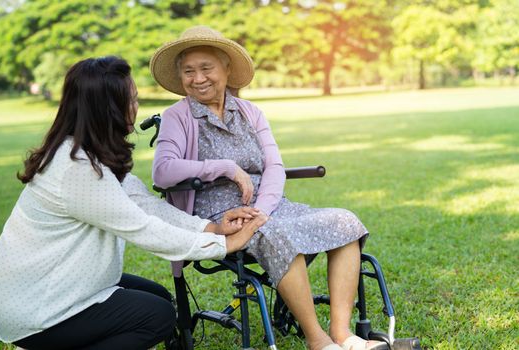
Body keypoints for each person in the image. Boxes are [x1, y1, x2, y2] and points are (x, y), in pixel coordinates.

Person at [0, 56, 267, 350]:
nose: (136, 108)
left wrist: (212, 228)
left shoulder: (85, 152)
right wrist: (224, 246)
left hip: (50, 287)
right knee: (157, 316)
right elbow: (143, 228)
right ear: (107, 110)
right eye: (131, 100)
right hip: (38, 308)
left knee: (160, 298)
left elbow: (145, 205)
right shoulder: (78, 168)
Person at [149, 26, 388, 350]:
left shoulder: (250, 112)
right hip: (220, 216)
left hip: (268, 205)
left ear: (226, 69)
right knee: (275, 234)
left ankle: (342, 334)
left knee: (344, 221)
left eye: (207, 68)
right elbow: (163, 171)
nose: (198, 78)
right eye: (189, 71)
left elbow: (274, 166)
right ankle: (317, 340)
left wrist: (263, 208)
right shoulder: (178, 116)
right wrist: (226, 167)